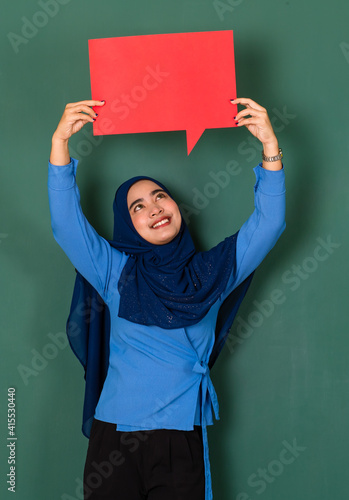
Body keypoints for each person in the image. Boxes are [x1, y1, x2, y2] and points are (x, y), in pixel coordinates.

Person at [48, 97, 286, 500]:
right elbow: (66, 226)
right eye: (137, 207)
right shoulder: (115, 272)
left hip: (180, 439)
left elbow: (269, 223)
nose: (154, 208)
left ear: (176, 206)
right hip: (115, 438)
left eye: (159, 196)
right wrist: (60, 143)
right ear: (128, 224)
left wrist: (269, 147)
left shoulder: (215, 272)